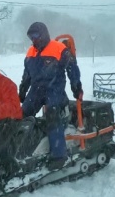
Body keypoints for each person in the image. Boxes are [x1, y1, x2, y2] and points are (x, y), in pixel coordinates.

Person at [18, 21, 82, 171]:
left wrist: (76, 85)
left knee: (52, 114)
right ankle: (20, 148)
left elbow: (72, 68)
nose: (33, 39)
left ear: (44, 34)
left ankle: (59, 155)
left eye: (36, 35)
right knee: (22, 114)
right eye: (31, 37)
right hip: (36, 90)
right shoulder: (31, 52)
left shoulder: (59, 48)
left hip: (55, 89)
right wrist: (22, 90)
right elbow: (27, 74)